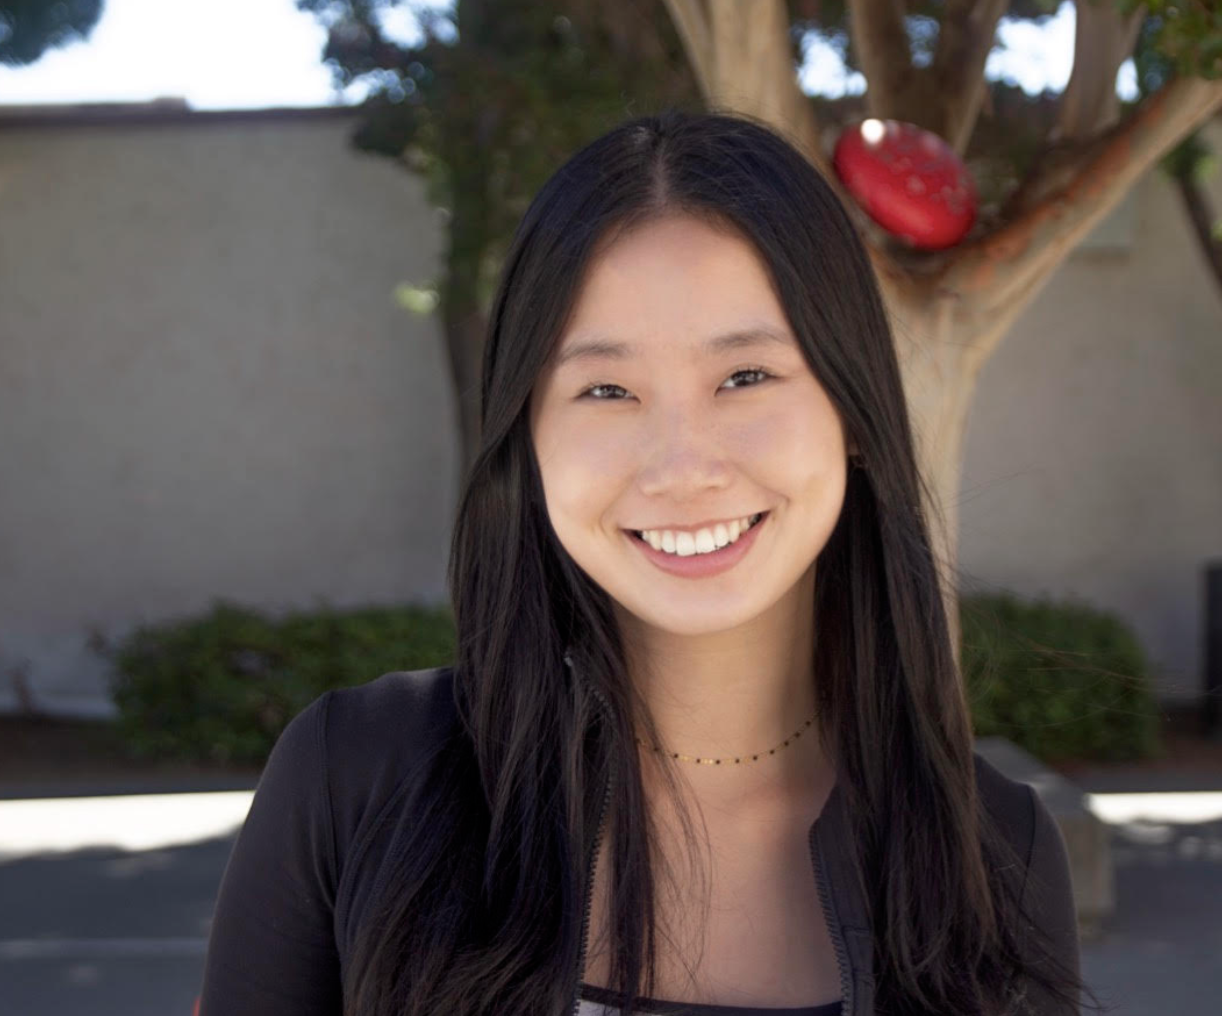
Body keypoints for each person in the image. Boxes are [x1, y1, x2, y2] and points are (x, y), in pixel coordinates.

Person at [197, 108, 1105, 1016]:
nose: (682, 468)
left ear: (854, 412)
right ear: (528, 438)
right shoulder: (355, 781)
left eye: (745, 377)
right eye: (606, 389)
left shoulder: (996, 854)